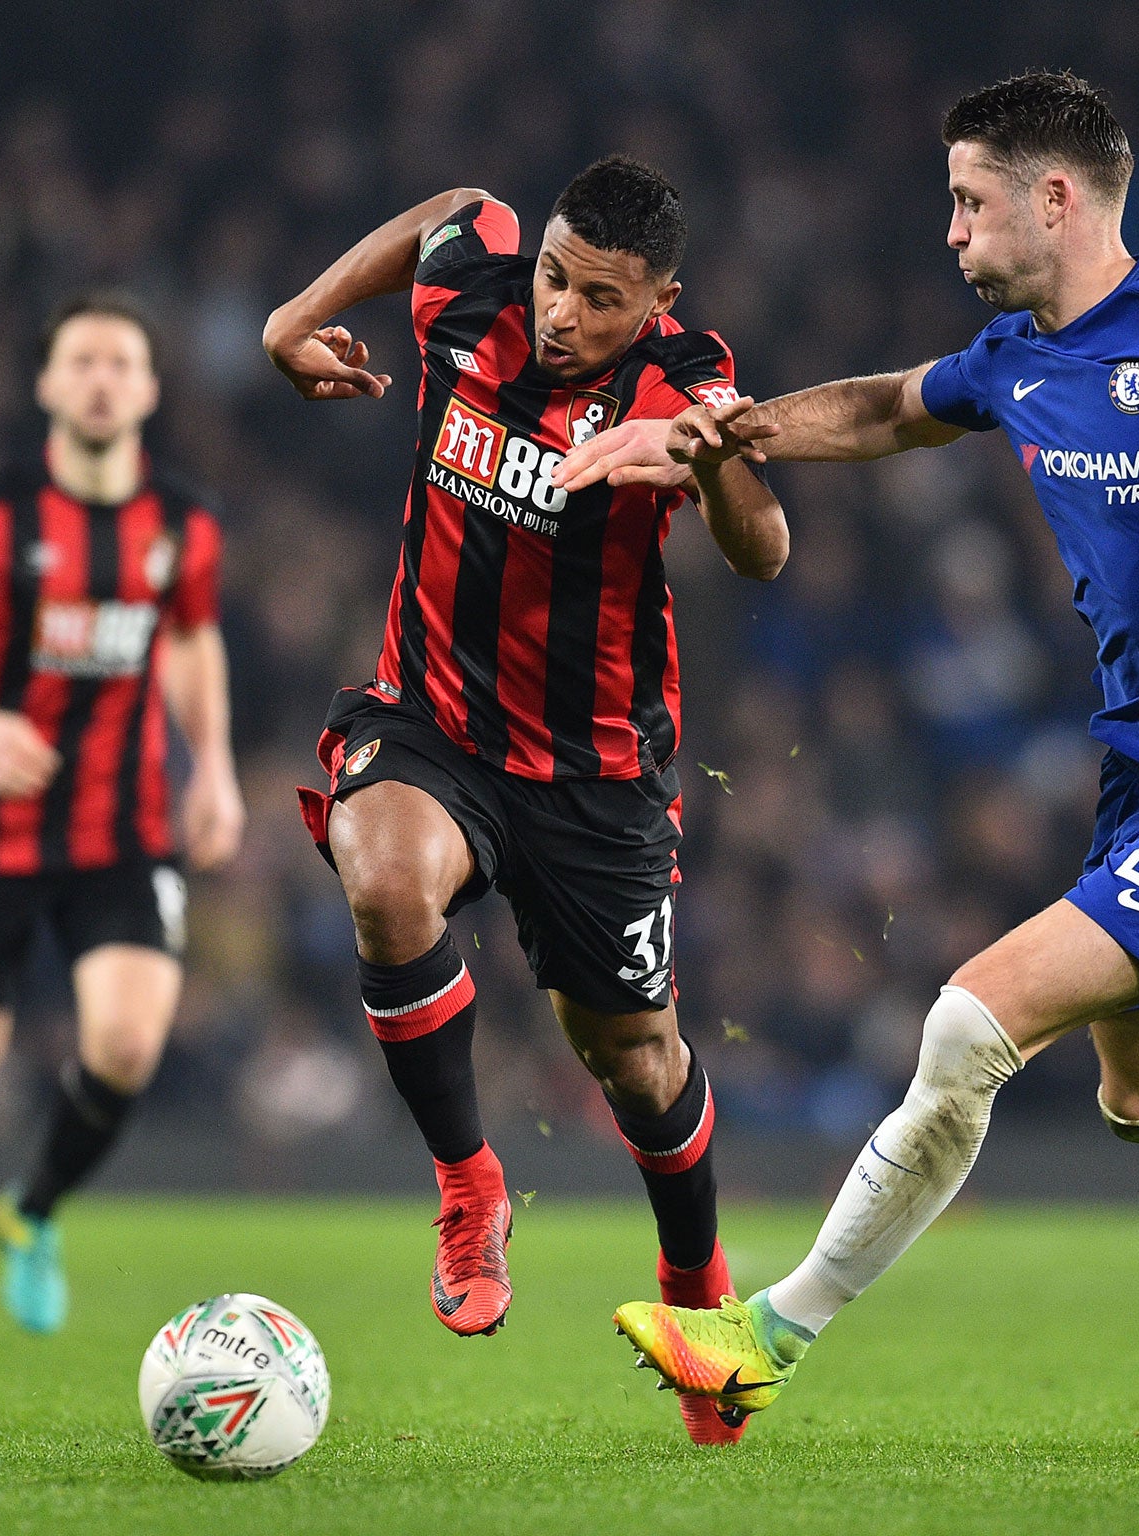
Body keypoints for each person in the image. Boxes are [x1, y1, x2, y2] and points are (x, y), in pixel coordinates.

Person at [561, 70, 1139, 1421]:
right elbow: (891, 408)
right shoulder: (1015, 359)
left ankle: (767, 1336)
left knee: (967, 1023)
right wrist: (732, 428)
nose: (949, 232)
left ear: (1053, 199)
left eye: (968, 203)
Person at [261, 156, 787, 1445]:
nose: (561, 313)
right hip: (428, 722)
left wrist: (703, 461)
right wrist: (290, 322)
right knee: (382, 880)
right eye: (556, 277)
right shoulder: (476, 286)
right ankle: (467, 1184)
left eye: (601, 299)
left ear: (658, 300)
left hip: (593, 774)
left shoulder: (683, 378)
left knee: (634, 1060)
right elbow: (443, 210)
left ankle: (702, 1309)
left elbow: (765, 550)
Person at [0, 293, 245, 1349]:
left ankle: (28, 1214)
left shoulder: (184, 523)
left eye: (122, 361)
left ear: (150, 390)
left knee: (125, 1040)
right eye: (81, 360)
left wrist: (211, 767)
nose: (101, 379)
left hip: (120, 832)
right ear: (44, 384)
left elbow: (192, 640)